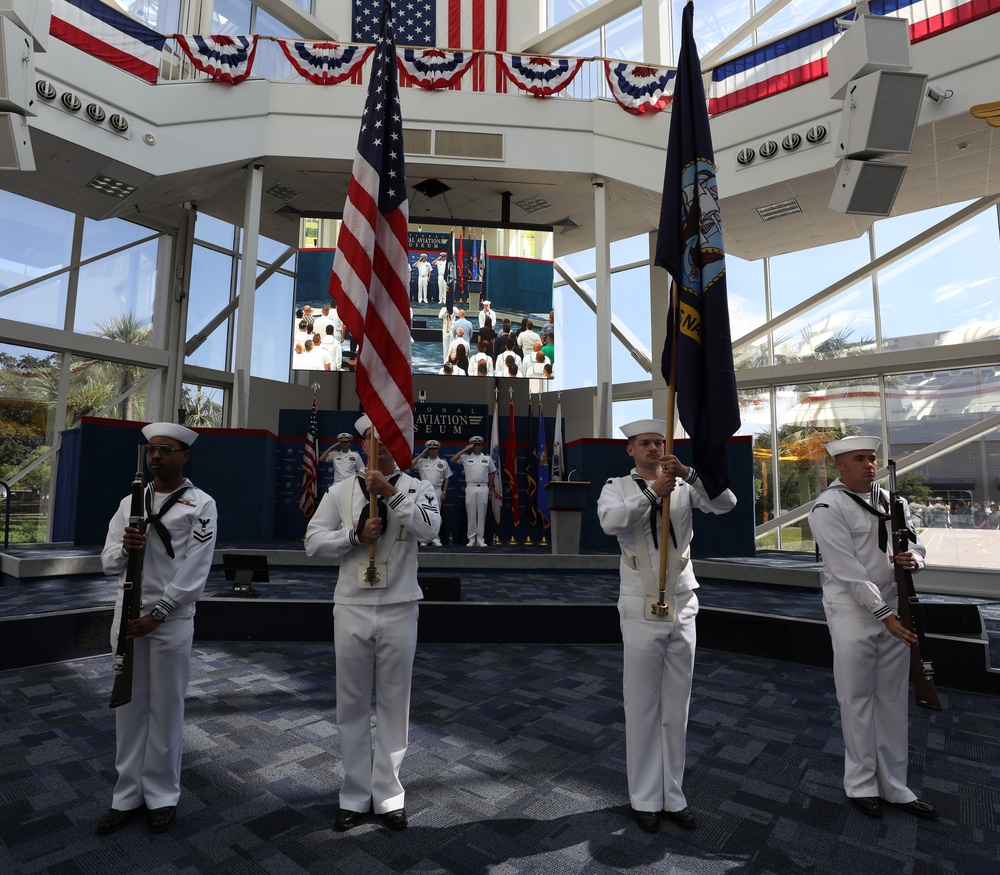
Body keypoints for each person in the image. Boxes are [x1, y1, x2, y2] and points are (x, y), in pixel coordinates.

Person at [597, 419, 735, 834]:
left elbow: (725, 503)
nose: (655, 449)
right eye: (646, 444)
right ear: (630, 450)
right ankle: (643, 796)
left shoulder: (684, 483)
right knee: (641, 704)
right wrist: (652, 492)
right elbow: (611, 523)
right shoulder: (616, 486)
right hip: (640, 602)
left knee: (677, 704)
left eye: (660, 442)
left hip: (683, 599)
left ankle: (672, 794)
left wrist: (691, 475)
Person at [305, 415, 440, 832]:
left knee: (395, 704)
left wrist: (390, 493)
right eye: (370, 438)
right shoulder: (340, 490)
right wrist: (353, 537)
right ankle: (354, 792)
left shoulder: (419, 487)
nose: (377, 444)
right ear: (363, 445)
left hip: (399, 605)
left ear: (401, 444)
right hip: (351, 606)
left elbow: (429, 528)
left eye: (386, 438)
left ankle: (388, 794)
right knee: (351, 701)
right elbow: (311, 541)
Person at [96, 422, 217, 836]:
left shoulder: (201, 504)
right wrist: (123, 548)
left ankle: (163, 794)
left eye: (166, 450)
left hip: (169, 620)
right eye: (151, 450)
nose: (156, 457)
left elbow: (195, 568)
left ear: (185, 455)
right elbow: (108, 560)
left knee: (166, 709)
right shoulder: (129, 501)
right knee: (129, 708)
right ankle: (126, 793)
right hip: (127, 616)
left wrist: (161, 612)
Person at [809, 435, 937, 821]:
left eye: (872, 458)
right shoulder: (828, 506)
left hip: (895, 607)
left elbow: (917, 543)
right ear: (840, 466)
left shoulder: (892, 500)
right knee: (857, 698)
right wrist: (885, 615)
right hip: (853, 610)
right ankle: (862, 783)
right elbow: (845, 569)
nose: (869, 464)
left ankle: (895, 785)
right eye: (859, 458)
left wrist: (915, 558)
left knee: (893, 699)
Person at [450, 436, 497, 547]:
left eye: (479, 445)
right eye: (475, 445)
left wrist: (489, 487)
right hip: (470, 487)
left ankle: (480, 539)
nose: (477, 447)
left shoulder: (487, 459)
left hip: (483, 488)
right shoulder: (466, 457)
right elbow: (453, 459)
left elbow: (492, 472)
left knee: (481, 514)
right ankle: (471, 539)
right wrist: (465, 449)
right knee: (471, 514)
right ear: (472, 446)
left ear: (481, 446)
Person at [411, 439, 452, 546]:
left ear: (438, 450)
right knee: (423, 514)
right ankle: (424, 539)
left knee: (436, 514)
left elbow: (447, 477)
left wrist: (444, 492)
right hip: (424, 490)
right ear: (428, 450)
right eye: (430, 449)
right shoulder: (422, 461)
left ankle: (435, 538)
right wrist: (421, 454)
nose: (433, 451)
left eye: (434, 449)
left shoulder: (442, 462)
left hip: (437, 490)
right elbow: (410, 465)